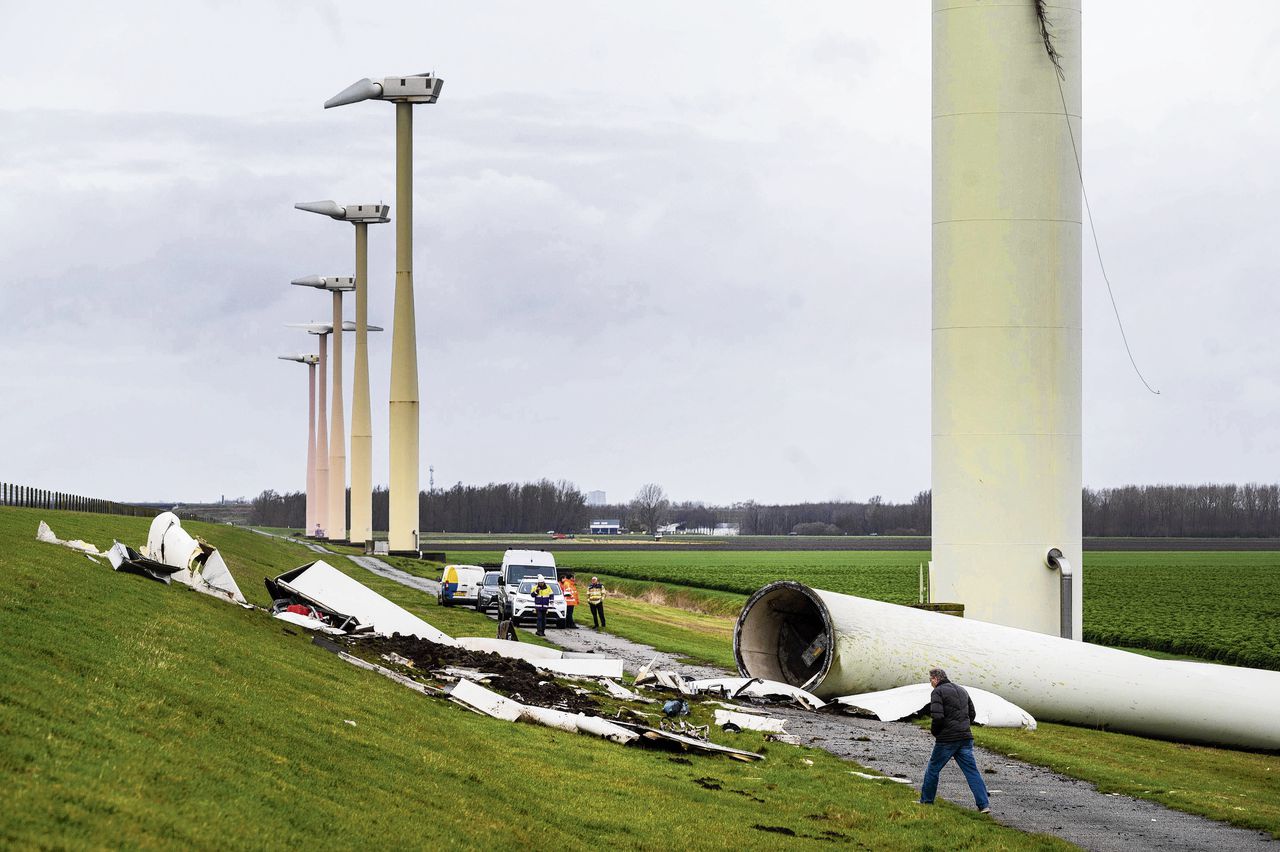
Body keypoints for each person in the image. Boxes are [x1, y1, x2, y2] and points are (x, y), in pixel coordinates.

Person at [918, 667, 990, 813]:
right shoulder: (962, 690)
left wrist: (935, 732)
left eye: (930, 679)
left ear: (936, 679)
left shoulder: (937, 692)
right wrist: (963, 726)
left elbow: (937, 717)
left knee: (933, 769)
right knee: (971, 771)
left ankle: (926, 801)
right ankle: (984, 805)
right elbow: (972, 713)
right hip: (965, 737)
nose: (931, 683)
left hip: (947, 739)